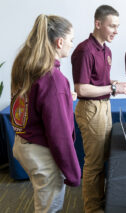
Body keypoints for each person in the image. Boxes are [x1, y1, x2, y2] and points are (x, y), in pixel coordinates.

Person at [10, 14, 81, 212]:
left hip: (23, 142)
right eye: (71, 40)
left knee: (42, 197)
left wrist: (64, 97)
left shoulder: (26, 64)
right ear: (60, 42)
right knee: (49, 207)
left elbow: (33, 101)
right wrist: (74, 173)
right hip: (41, 151)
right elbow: (59, 135)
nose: (71, 44)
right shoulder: (53, 79)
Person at [71, 5, 126, 213]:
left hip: (104, 107)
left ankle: (101, 201)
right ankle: (92, 208)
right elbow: (81, 88)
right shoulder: (84, 50)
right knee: (94, 164)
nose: (116, 31)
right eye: (112, 26)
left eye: (117, 26)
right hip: (91, 110)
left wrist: (116, 85)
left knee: (105, 158)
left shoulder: (106, 50)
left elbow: (98, 82)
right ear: (98, 24)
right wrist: (113, 88)